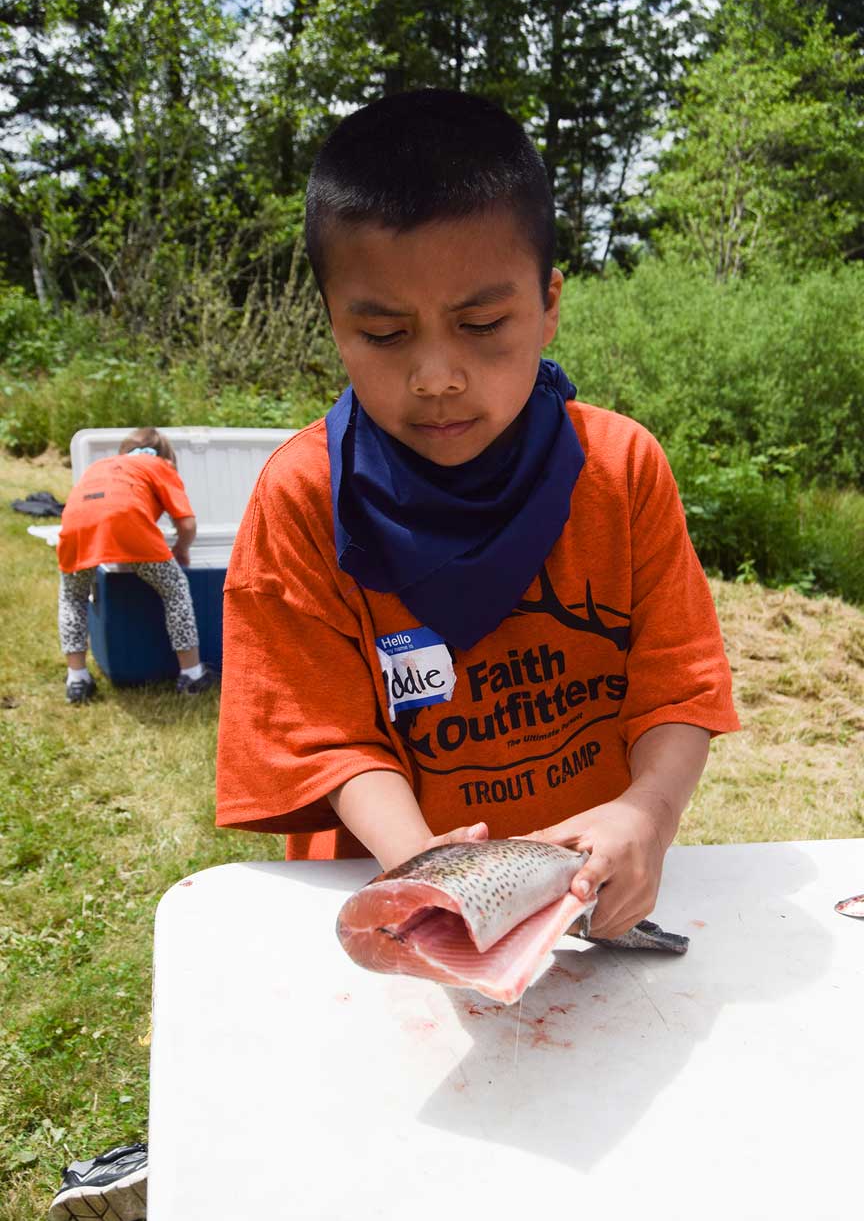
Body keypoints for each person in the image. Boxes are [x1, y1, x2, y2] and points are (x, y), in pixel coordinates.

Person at [215, 89, 740, 940]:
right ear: (335, 323)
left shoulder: (620, 470)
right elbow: (324, 740)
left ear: (550, 304)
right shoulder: (303, 499)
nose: (436, 377)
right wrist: (434, 873)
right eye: (384, 335)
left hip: (587, 901)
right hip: (402, 901)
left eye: (483, 323)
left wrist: (647, 812)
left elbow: (677, 688)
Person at [57, 427, 218, 702]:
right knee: (175, 589)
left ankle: (77, 679)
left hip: (76, 525)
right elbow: (187, 525)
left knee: (72, 597)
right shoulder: (161, 466)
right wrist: (180, 548)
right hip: (128, 524)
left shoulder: (101, 465)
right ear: (167, 457)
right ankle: (192, 674)